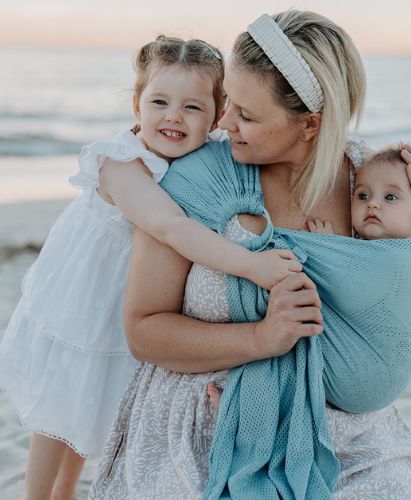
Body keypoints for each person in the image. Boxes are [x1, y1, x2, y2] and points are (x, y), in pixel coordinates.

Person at [90, 10, 411, 499]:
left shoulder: (370, 187)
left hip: (347, 437)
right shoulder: (198, 181)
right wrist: (262, 338)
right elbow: (144, 329)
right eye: (229, 102)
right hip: (208, 421)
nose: (224, 123)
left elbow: (393, 330)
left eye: (247, 114)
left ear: (309, 124)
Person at [0, 36, 300, 500]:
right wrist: (253, 266)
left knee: (91, 395)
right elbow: (170, 227)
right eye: (159, 101)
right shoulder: (121, 164)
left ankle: (65, 492)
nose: (173, 116)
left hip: (128, 294)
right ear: (137, 106)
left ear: (217, 116)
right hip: (84, 296)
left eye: (192, 107)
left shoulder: (205, 158)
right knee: (61, 402)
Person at [207, 144, 411, 411]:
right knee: (292, 348)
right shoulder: (370, 248)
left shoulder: (402, 257)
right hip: (351, 381)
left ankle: (240, 405)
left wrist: (321, 247)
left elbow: (351, 288)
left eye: (391, 198)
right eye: (362, 195)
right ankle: (244, 405)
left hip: (371, 376)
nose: (373, 204)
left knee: (288, 358)